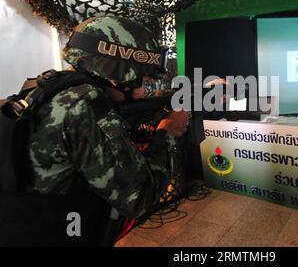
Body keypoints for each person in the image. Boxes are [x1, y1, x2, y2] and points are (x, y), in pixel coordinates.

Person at [1, 15, 190, 245]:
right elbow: (139, 197)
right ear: (119, 74)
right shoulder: (86, 103)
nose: (143, 91)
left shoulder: (55, 88)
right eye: (142, 80)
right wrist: (168, 133)